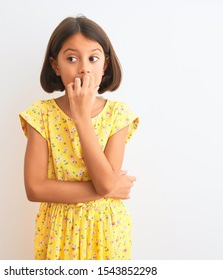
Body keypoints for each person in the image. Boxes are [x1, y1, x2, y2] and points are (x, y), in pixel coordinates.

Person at [19, 15, 139, 260]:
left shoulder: (118, 114)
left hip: (106, 230)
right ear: (55, 65)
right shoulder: (41, 115)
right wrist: (107, 189)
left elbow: (104, 182)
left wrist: (81, 117)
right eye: (72, 58)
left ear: (104, 65)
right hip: (58, 232)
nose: (84, 67)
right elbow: (35, 188)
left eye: (93, 58)